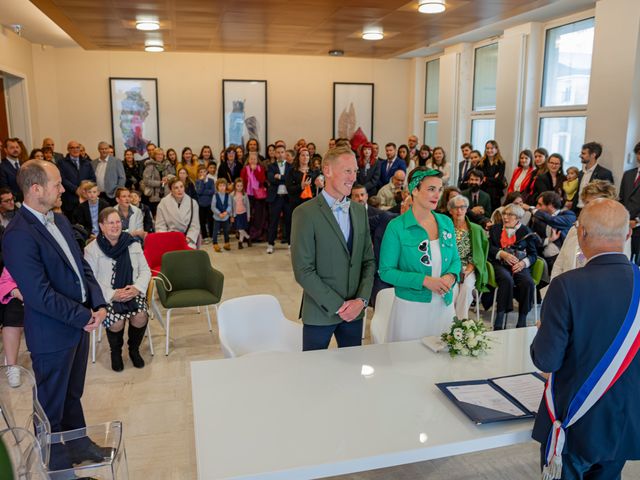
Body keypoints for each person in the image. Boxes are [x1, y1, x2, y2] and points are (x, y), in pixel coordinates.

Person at [3, 160, 107, 470]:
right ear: (35, 190)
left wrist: (98, 303)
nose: (63, 189)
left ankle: (78, 445)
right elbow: (39, 294)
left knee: (72, 393)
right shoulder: (18, 235)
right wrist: (82, 316)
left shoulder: (59, 221)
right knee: (49, 406)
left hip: (77, 325)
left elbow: (81, 266)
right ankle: (57, 467)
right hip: (52, 333)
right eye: (57, 184)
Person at [531, 198, 639, 480]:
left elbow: (546, 359)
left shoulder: (567, 285)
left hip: (575, 421)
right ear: (628, 234)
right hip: (625, 420)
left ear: (581, 234)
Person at [290, 144, 375, 351]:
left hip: (354, 313)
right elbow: (303, 270)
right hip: (320, 311)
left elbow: (368, 261)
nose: (353, 177)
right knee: (314, 374)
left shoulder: (358, 211)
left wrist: (361, 301)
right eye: (347, 171)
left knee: (352, 371)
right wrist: (339, 306)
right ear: (327, 171)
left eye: (355, 171)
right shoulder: (305, 213)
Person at [379, 168, 460, 341]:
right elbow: (386, 271)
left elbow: (455, 259)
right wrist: (424, 280)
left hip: (443, 307)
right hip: (411, 310)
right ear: (415, 190)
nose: (437, 195)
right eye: (431, 189)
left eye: (440, 189)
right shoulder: (396, 227)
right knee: (408, 363)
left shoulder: (446, 222)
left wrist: (452, 276)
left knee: (443, 363)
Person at [84, 208, 151, 372]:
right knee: (116, 321)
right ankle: (116, 352)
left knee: (141, 316)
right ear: (101, 225)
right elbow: (91, 280)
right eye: (110, 222)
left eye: (118, 222)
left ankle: (134, 350)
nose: (115, 226)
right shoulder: (92, 249)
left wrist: (136, 288)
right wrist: (113, 294)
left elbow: (145, 271)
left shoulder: (132, 243)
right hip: (108, 296)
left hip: (132, 291)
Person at [551, 180, 630, 280]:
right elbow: (559, 263)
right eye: (587, 203)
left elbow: (619, 273)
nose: (590, 208)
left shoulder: (617, 236)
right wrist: (555, 287)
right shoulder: (574, 229)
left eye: (596, 203)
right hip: (566, 288)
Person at [488, 203, 538, 330]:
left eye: (510, 215)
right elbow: (489, 248)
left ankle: (522, 319)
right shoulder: (495, 229)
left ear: (518, 218)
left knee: (528, 282)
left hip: (518, 264)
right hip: (500, 263)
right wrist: (502, 253)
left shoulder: (526, 231)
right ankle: (499, 318)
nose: (505, 217)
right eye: (504, 214)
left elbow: (533, 255)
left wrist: (523, 263)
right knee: (506, 279)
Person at [448, 195, 489, 320]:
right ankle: (448, 320)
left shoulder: (476, 229)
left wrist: (468, 270)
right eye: (455, 207)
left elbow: (479, 254)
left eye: (462, 207)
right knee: (452, 290)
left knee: (466, 287)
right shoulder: (445, 227)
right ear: (450, 210)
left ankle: (460, 322)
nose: (459, 210)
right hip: (449, 266)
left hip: (468, 266)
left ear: (467, 209)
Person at [527, 191, 576, 271]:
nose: (537, 207)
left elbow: (553, 221)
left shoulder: (569, 215)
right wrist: (549, 240)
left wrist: (534, 210)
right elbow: (533, 238)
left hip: (562, 258)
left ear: (550, 206)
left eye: (540, 204)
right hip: (541, 256)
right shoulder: (539, 218)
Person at [155, 177, 200, 249]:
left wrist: (188, 238)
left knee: (189, 254)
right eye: (176, 188)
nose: (179, 190)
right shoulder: (163, 203)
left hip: (187, 238)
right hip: (169, 238)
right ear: (171, 190)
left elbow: (195, 225)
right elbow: (160, 226)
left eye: (181, 187)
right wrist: (167, 239)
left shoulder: (192, 203)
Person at [0, 267, 25, 387]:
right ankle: (12, 364)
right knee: (13, 311)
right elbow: (6, 280)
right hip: (13, 290)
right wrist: (14, 291)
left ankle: (12, 364)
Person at [59, 140, 97, 219]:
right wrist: (76, 189)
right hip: (69, 201)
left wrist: (84, 189)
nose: (75, 150)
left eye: (77, 147)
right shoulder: (62, 163)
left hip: (86, 199)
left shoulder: (87, 163)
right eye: (72, 148)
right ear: (68, 149)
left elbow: (93, 179)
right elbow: (62, 179)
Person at [266, 145, 292, 253]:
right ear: (275, 154)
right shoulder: (271, 166)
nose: (280, 154)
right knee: (273, 221)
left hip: (287, 198)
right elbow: (271, 178)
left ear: (285, 153)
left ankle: (290, 243)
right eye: (278, 152)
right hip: (276, 197)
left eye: (282, 152)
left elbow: (289, 179)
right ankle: (270, 244)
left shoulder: (291, 166)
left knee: (289, 221)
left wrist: (279, 177)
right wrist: (281, 178)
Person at [576, 141, 614, 214]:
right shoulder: (580, 173)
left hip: (594, 213)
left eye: (583, 153)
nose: (580, 156)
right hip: (578, 211)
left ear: (593, 155)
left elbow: (608, 197)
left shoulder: (605, 173)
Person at [619, 141, 640, 264]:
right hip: (623, 224)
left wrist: (637, 221)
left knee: (636, 261)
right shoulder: (628, 174)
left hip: (638, 226)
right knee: (623, 257)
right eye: (639, 153)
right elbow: (621, 198)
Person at [142, 147, 175, 215]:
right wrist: (159, 183)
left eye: (161, 154)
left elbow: (173, 175)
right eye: (158, 154)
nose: (160, 156)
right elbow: (146, 181)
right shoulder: (150, 165)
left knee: (167, 215)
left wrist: (167, 178)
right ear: (154, 155)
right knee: (157, 216)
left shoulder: (167, 164)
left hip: (166, 194)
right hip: (155, 196)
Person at [286, 147, 320, 212]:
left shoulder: (315, 171)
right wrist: (301, 186)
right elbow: (289, 189)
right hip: (297, 203)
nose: (305, 157)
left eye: (307, 155)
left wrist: (320, 185)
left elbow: (320, 188)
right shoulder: (292, 171)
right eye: (303, 155)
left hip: (312, 202)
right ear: (298, 157)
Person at [479, 140, 506, 213]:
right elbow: (480, 180)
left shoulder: (501, 163)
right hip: (483, 192)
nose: (489, 150)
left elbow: (499, 180)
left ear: (496, 149)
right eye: (487, 148)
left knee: (495, 215)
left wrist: (486, 178)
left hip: (496, 194)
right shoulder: (481, 163)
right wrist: (494, 178)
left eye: (492, 148)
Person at [195, 165, 215, 244]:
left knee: (211, 220)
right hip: (201, 204)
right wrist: (202, 182)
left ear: (207, 172)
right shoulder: (197, 181)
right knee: (202, 221)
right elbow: (198, 192)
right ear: (198, 173)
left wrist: (204, 192)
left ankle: (211, 235)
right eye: (200, 172)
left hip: (209, 203)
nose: (202, 173)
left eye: (204, 171)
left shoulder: (211, 180)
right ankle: (205, 236)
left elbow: (212, 191)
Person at [211, 178, 232, 252]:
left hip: (225, 217)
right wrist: (219, 213)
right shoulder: (215, 196)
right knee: (215, 231)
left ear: (226, 186)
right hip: (217, 217)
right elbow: (213, 207)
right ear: (217, 187)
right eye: (220, 186)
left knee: (226, 230)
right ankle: (215, 244)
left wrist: (226, 212)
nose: (222, 187)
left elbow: (230, 205)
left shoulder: (228, 196)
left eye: (223, 185)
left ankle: (227, 243)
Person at [1, 138, 24, 202]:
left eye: (17, 147)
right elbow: (5, 188)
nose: (15, 149)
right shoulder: (2, 167)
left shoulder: (25, 164)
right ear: (5, 150)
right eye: (12, 148)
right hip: (13, 202)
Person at [231, 178, 251, 249]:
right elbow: (231, 207)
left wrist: (248, 215)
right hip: (236, 214)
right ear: (235, 186)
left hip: (243, 214)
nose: (239, 187)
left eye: (241, 186)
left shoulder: (245, 194)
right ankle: (248, 237)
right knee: (240, 229)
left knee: (241, 228)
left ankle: (240, 242)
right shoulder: (232, 195)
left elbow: (248, 206)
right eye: (238, 186)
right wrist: (232, 216)